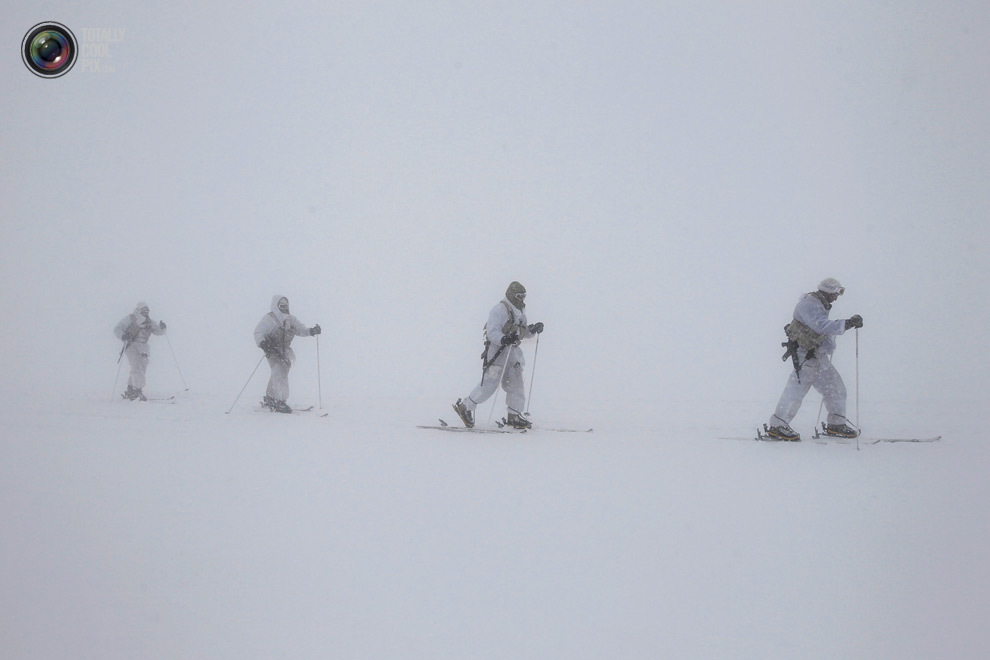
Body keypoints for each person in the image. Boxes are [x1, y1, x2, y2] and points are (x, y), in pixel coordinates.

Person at [765, 278, 863, 441]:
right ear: (828, 291)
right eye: (836, 293)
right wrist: (847, 323)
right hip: (805, 356)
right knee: (795, 392)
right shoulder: (808, 304)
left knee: (836, 388)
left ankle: (836, 423)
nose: (837, 297)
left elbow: (820, 330)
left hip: (818, 356)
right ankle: (778, 426)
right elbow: (821, 325)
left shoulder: (820, 304)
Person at [453, 281, 545, 429]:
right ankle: (465, 406)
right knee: (489, 385)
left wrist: (532, 329)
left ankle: (514, 415)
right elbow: (492, 331)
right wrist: (504, 339)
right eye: (519, 296)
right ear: (512, 294)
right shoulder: (499, 310)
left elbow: (521, 332)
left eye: (524, 296)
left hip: (513, 354)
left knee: (516, 384)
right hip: (498, 353)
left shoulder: (520, 312)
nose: (522, 299)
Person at [254, 295, 321, 413]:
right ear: (276, 306)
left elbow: (301, 329)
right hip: (272, 349)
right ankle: (280, 401)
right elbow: (258, 331)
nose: (284, 308)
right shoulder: (269, 318)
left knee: (281, 371)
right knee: (279, 372)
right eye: (282, 305)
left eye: (286, 305)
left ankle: (270, 397)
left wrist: (311, 331)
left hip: (285, 350)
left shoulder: (290, 319)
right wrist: (263, 344)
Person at [114, 302, 167, 401]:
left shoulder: (150, 322)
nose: (146, 313)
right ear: (139, 310)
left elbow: (157, 331)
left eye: (147, 311)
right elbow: (117, 329)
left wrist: (163, 328)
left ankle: (130, 389)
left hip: (143, 347)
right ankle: (137, 390)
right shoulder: (131, 319)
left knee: (142, 368)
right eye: (143, 310)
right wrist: (123, 336)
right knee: (136, 367)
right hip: (131, 346)